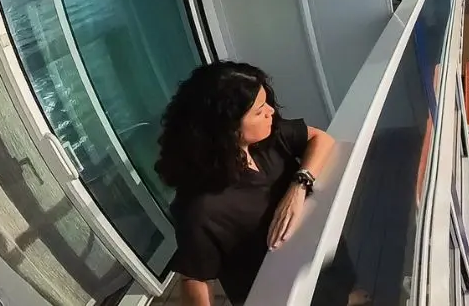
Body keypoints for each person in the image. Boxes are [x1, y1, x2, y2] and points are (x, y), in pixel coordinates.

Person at [156, 61, 366, 305]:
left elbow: (321, 139)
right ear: (229, 127)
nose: (271, 112)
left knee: (339, 289)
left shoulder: (267, 138)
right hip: (282, 294)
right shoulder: (201, 208)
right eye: (259, 111)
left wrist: (298, 187)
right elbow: (195, 278)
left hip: (319, 259)